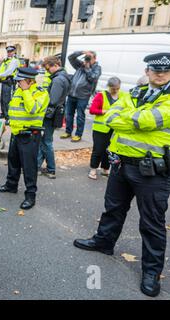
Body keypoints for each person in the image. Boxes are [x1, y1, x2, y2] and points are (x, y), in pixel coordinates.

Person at [73, 52, 170, 297]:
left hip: (153, 170)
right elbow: (111, 116)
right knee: (113, 208)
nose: (159, 74)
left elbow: (146, 120)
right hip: (121, 164)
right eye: (154, 70)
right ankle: (104, 242)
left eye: (165, 71)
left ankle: (151, 272)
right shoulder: (134, 92)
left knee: (152, 223)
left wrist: (126, 118)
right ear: (147, 71)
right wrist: (128, 118)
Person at [0, 67, 50, 210]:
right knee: (13, 161)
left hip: (30, 134)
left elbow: (32, 109)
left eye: (20, 81)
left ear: (29, 81)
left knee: (29, 167)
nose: (18, 83)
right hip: (17, 132)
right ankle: (11, 185)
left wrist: (26, 91)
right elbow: (14, 109)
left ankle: (30, 195)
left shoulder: (41, 93)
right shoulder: (19, 90)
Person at [38, 55, 72, 179]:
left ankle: (51, 169)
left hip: (51, 113)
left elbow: (52, 100)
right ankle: (38, 166)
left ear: (55, 65)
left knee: (47, 141)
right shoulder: (63, 76)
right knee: (45, 140)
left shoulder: (58, 79)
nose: (47, 71)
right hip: (55, 112)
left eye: (48, 69)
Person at [88, 77, 125, 180]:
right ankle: (93, 169)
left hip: (115, 128)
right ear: (109, 86)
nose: (116, 90)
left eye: (117, 88)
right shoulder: (101, 95)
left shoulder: (123, 95)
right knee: (98, 150)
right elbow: (92, 110)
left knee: (109, 150)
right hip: (100, 128)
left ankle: (105, 168)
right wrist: (103, 111)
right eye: (113, 88)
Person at [61, 51, 102, 142]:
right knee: (68, 114)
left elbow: (93, 78)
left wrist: (87, 68)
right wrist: (82, 52)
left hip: (83, 96)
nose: (87, 60)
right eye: (86, 57)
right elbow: (70, 57)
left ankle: (78, 134)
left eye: (89, 58)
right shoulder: (80, 65)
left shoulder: (97, 68)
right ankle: (68, 131)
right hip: (72, 94)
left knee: (80, 116)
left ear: (95, 58)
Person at [0, 46, 20, 120]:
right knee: (2, 99)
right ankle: (3, 113)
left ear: (14, 52)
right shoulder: (6, 60)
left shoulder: (14, 60)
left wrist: (0, 74)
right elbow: (1, 69)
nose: (9, 53)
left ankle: (8, 117)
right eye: (8, 51)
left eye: (11, 51)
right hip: (4, 81)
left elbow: (9, 71)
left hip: (9, 82)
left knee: (8, 100)